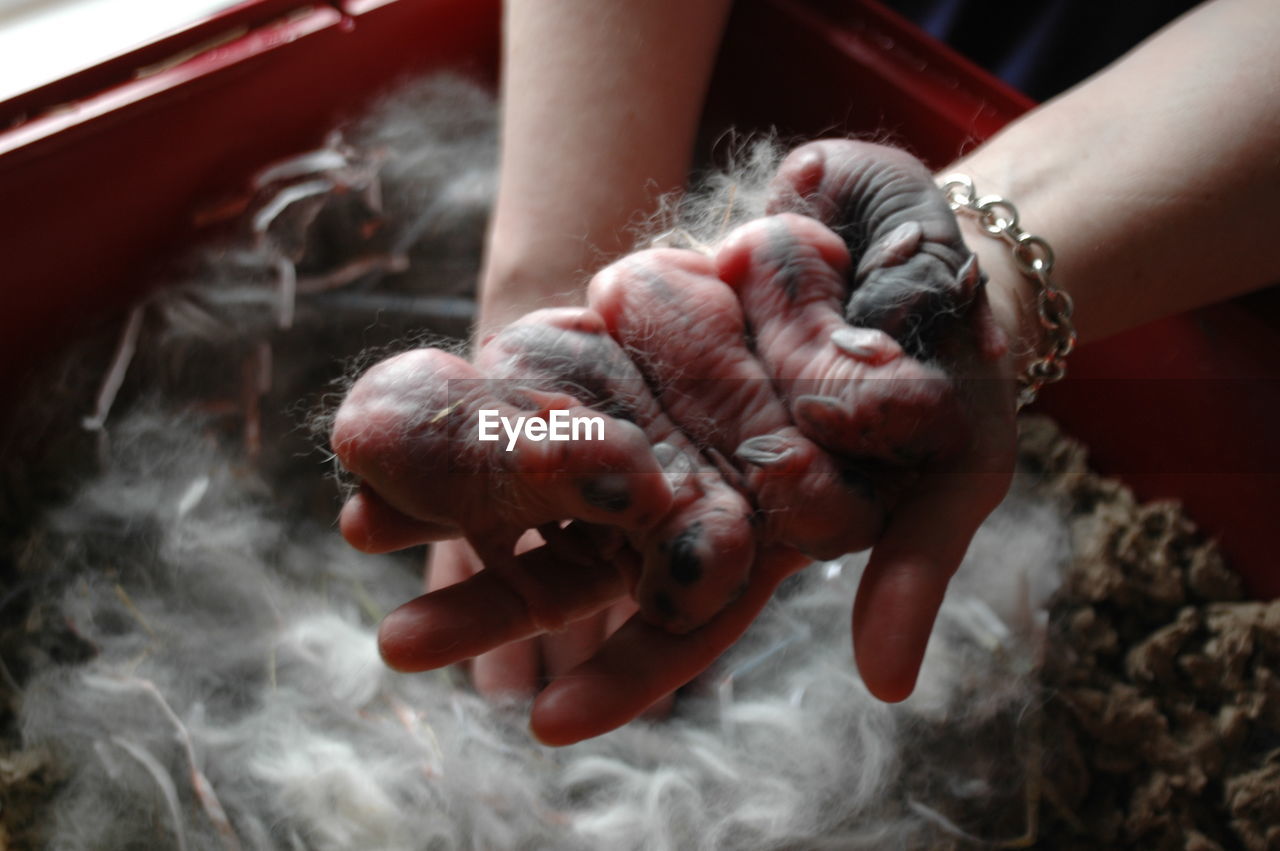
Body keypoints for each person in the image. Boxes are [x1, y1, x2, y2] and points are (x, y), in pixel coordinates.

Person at [331, 0, 1280, 745]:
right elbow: (538, 426)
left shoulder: (818, 358)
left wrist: (988, 265)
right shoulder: (592, 412)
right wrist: (545, 277)